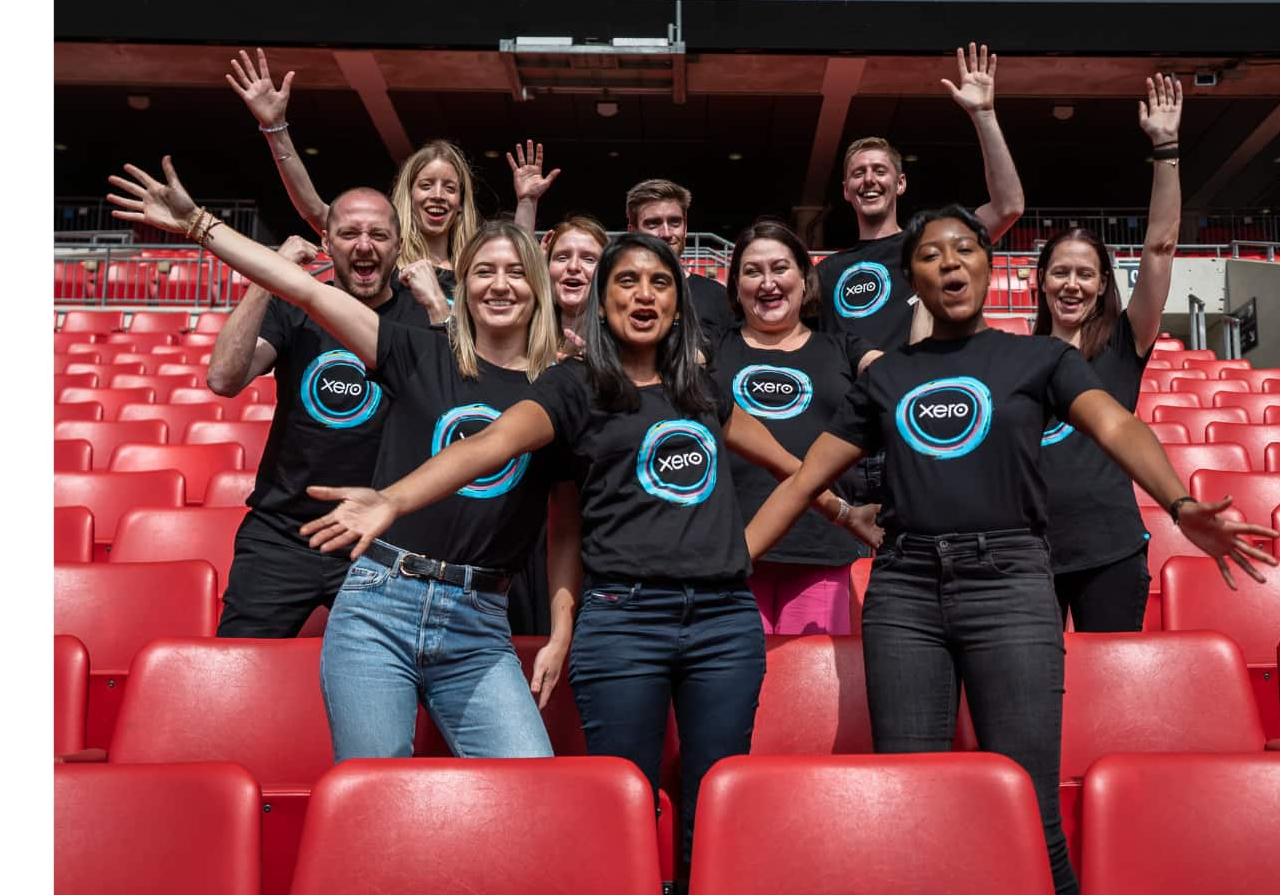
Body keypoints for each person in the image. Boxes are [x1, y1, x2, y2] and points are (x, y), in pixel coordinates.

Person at [294, 233, 880, 875]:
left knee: (715, 796)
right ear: (600, 304)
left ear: (679, 305)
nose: (644, 295)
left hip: (722, 625)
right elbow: (486, 447)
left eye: (660, 283)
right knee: (620, 799)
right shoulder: (574, 387)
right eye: (626, 281)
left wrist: (818, 520)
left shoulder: (702, 387)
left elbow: (789, 470)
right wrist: (394, 501)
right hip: (624, 621)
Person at [742, 206, 1277, 895]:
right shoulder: (885, 378)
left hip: (1011, 584)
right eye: (930, 255)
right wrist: (735, 557)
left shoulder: (1038, 358)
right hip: (903, 590)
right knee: (914, 798)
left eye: (963, 249)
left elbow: (1116, 423)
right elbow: (805, 476)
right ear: (913, 278)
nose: (949, 263)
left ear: (990, 268)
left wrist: (1176, 501)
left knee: (1026, 805)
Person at [109, 157, 573, 761]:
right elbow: (300, 287)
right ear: (464, 284)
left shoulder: (562, 387)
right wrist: (200, 224)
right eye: (483, 271)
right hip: (381, 599)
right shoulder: (417, 354)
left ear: (538, 285)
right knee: (373, 786)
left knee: (531, 778)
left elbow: (557, 514)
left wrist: (561, 628)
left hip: (477, 619)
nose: (500, 284)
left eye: (516, 272)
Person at [203, 211, 427, 638]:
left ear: (398, 245)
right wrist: (270, 278)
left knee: (392, 683)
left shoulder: (420, 319)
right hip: (283, 535)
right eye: (349, 233)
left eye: (378, 234)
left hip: (380, 540)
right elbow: (223, 379)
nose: (364, 245)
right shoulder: (293, 309)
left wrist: (437, 306)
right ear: (327, 243)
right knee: (240, 668)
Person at [1037, 74, 1185, 632]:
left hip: (1111, 552)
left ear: (1102, 285)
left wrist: (1165, 149)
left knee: (1115, 699)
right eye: (1060, 273)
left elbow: (1161, 243)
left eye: (1084, 274)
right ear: (1042, 283)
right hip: (1030, 559)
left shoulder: (1126, 342)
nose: (1071, 285)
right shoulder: (1016, 358)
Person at [227, 47, 489, 322]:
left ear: (461, 203)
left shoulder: (475, 267)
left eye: (449, 188)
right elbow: (314, 208)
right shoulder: (382, 253)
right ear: (408, 195)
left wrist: (527, 203)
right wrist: (275, 129)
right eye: (426, 185)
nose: (438, 195)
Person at [712, 220, 883, 634]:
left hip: (819, 550)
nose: (767, 282)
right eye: (752, 272)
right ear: (735, 287)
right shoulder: (710, 346)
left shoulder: (842, 347)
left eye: (780, 268)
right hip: (726, 553)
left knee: (809, 695)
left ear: (805, 280)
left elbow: (898, 378)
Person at [816, 43, 1025, 353]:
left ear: (900, 184)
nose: (869, 180)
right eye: (858, 173)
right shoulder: (826, 272)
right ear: (846, 189)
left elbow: (1008, 208)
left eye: (879, 170)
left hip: (918, 391)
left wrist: (984, 114)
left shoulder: (928, 245)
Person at [625, 178, 735, 357]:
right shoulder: (615, 294)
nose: (666, 233)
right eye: (653, 223)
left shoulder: (716, 296)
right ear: (633, 232)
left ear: (685, 228)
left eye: (675, 222)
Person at [540, 214, 608, 356]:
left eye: (589, 259)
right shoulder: (525, 334)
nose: (573, 266)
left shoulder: (620, 343)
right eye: (562, 257)